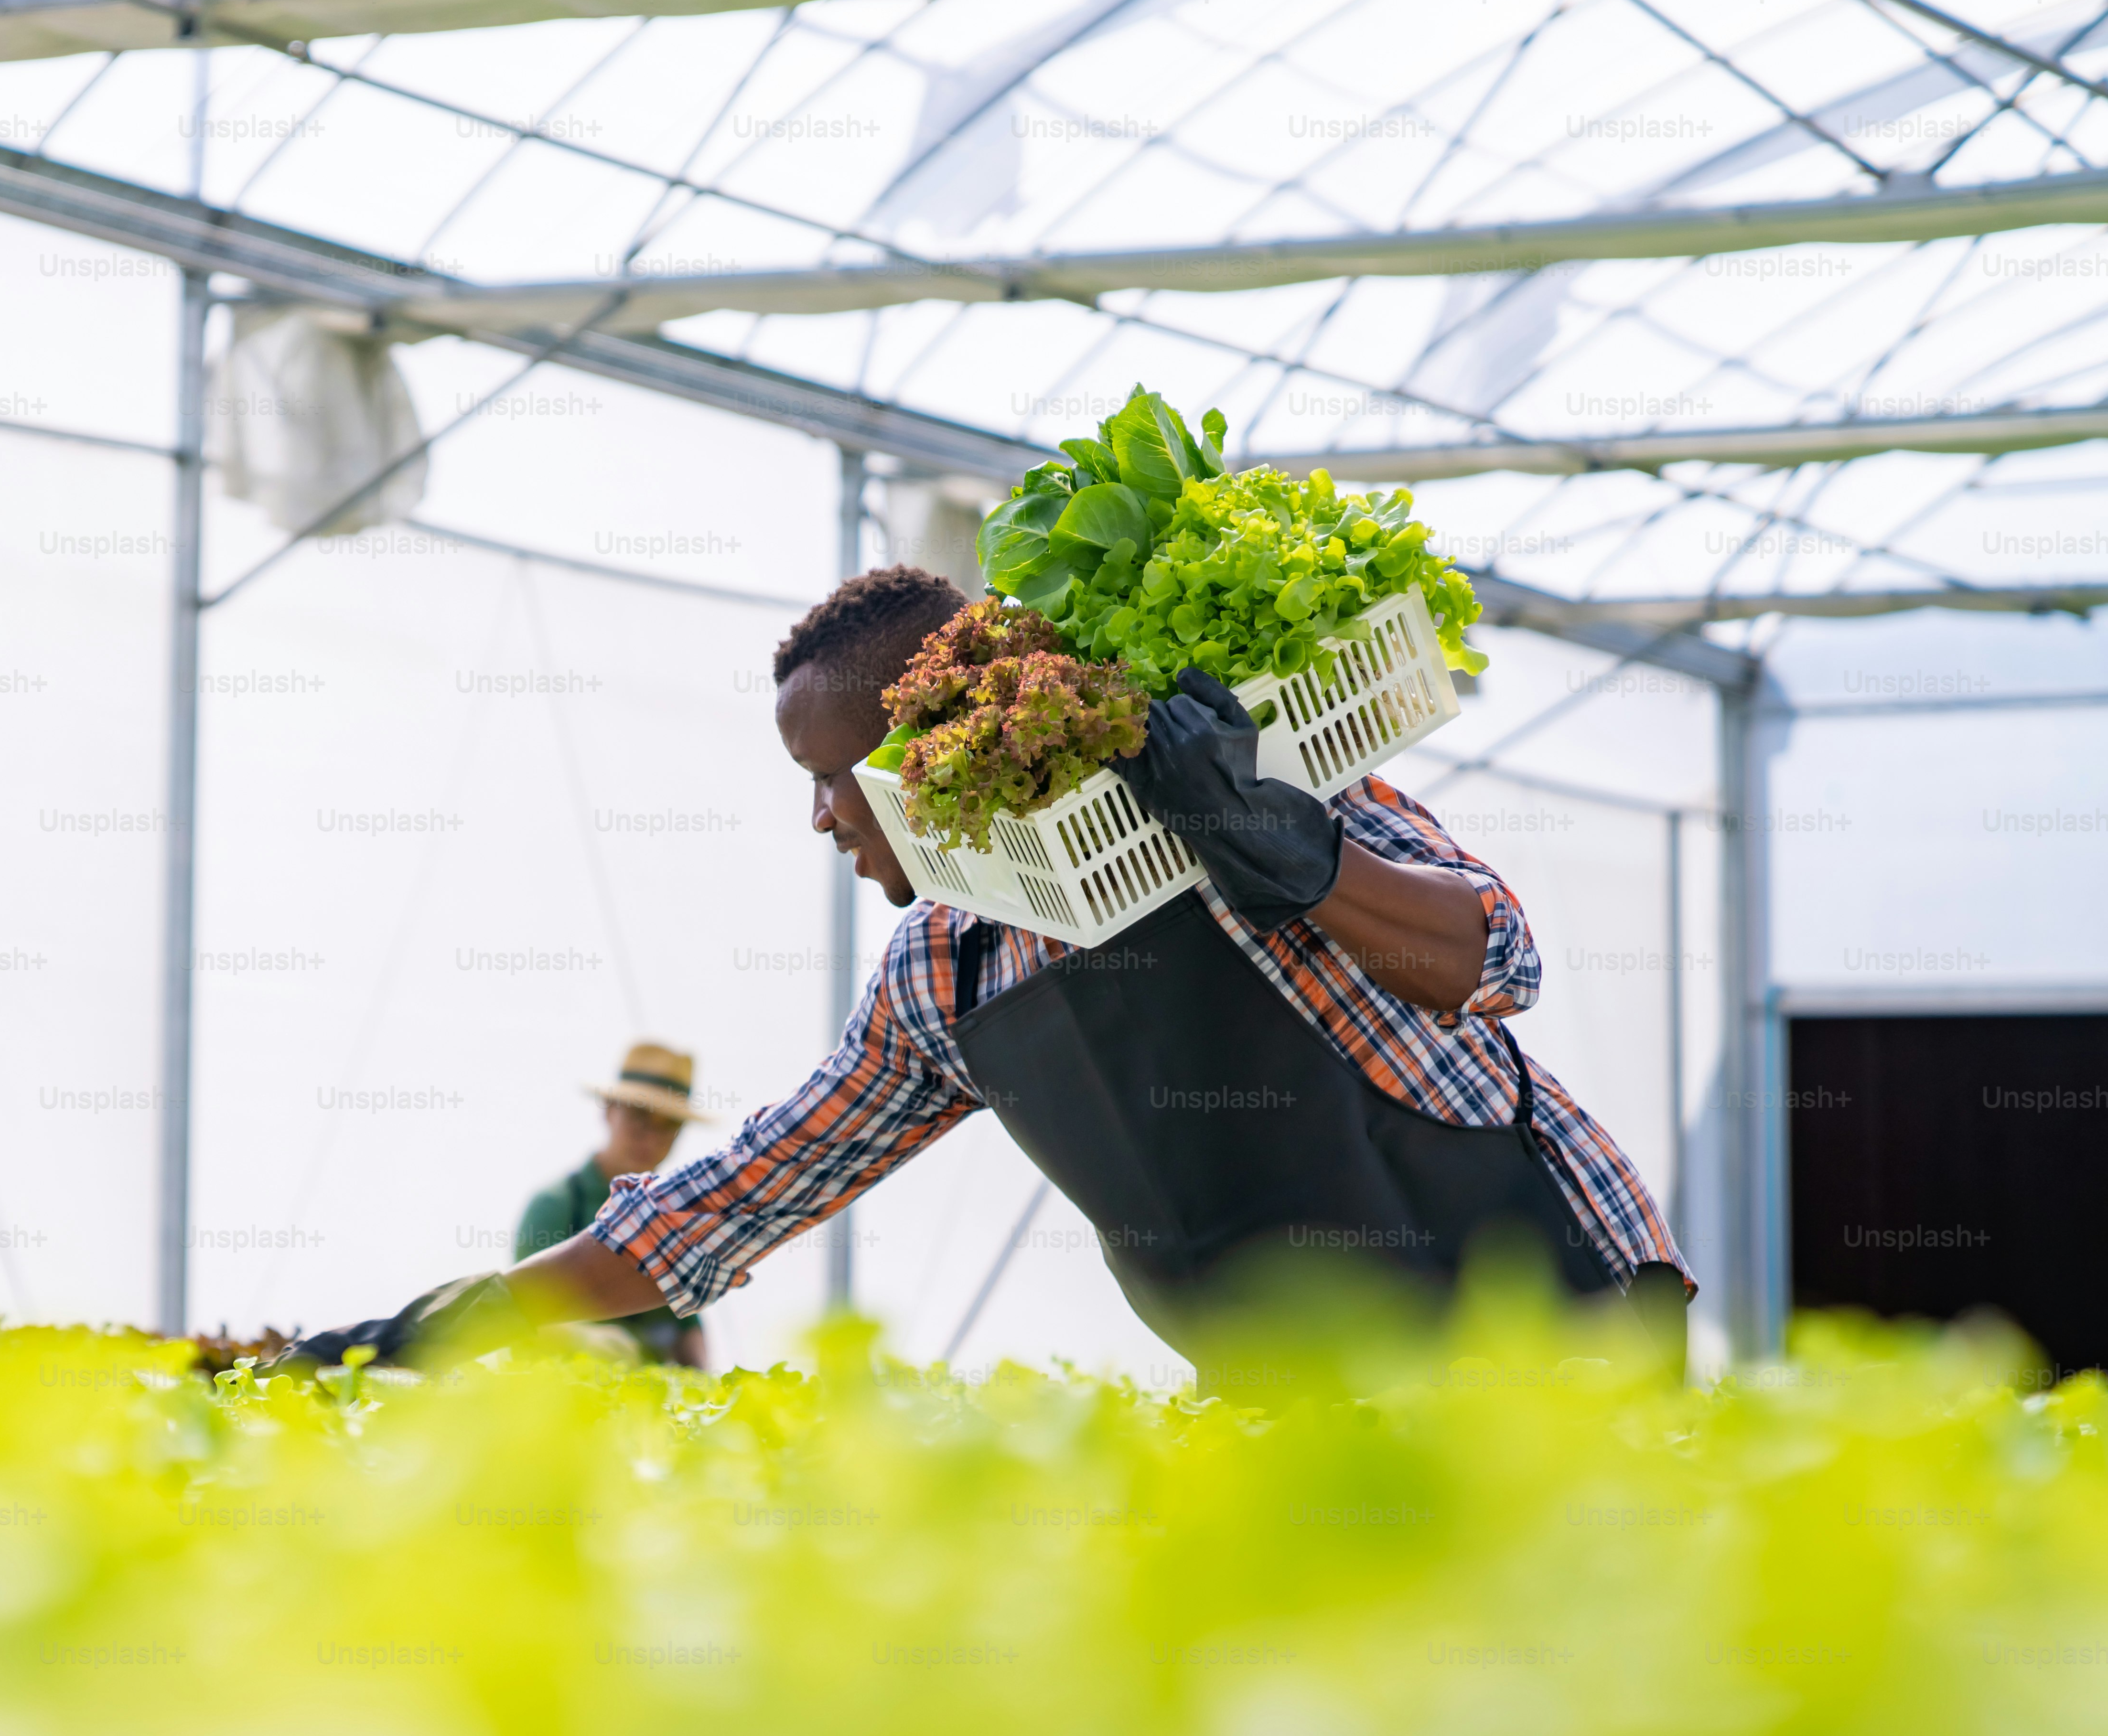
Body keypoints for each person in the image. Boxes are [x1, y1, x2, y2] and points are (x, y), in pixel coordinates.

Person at [289, 567, 1691, 1373]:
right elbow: (732, 1197)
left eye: (837, 777)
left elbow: (1497, 958)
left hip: (1555, 1311)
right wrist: (437, 1324)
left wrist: (1298, 855)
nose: (822, 815)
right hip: (1308, 1386)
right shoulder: (942, 977)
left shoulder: (1224, 789)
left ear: (937, 740)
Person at [512, 1043, 712, 1369]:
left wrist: (707, 1388)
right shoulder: (556, 1205)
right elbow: (522, 1313)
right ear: (608, 1110)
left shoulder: (675, 1220)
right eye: (639, 1117)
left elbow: (686, 1327)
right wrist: (587, 1340)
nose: (650, 1137)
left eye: (669, 1126)